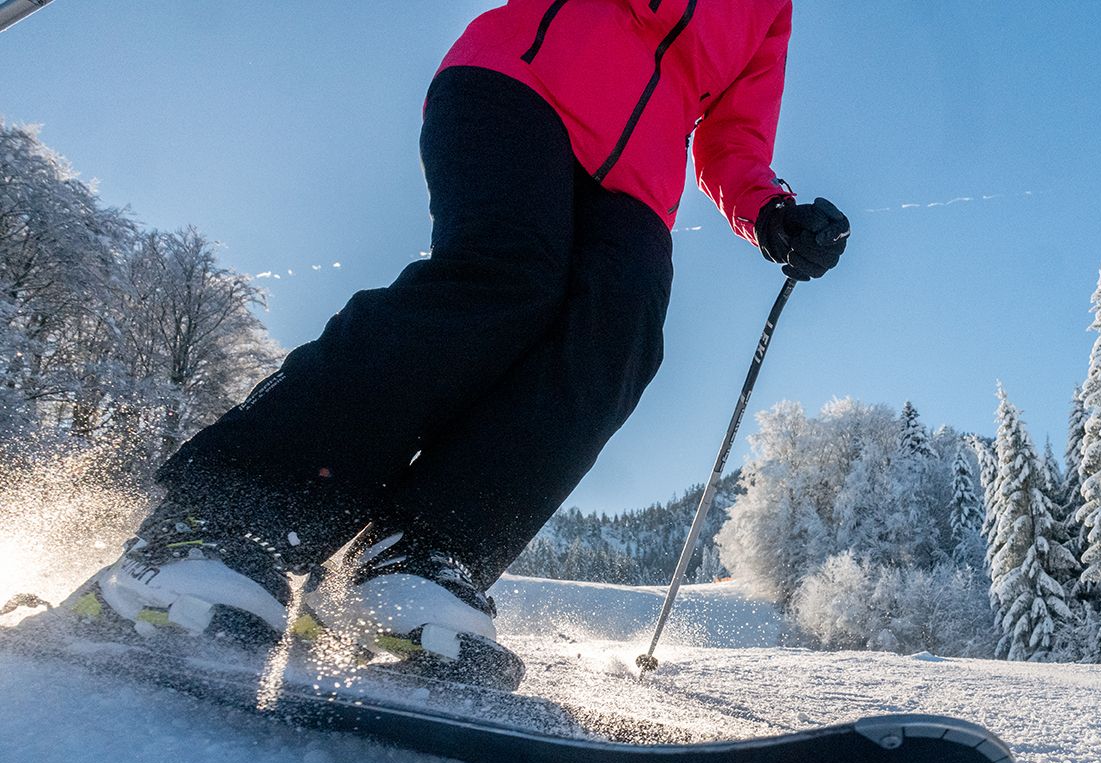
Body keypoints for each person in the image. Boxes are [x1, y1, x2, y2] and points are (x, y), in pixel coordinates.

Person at [70, 0, 849, 688]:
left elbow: (732, 139)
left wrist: (771, 212)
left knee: (617, 344)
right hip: (521, 87)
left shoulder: (768, 7)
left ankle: (417, 558)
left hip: (637, 186)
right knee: (506, 276)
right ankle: (224, 518)